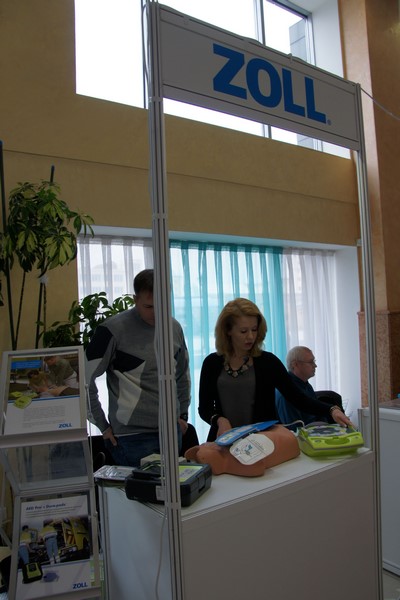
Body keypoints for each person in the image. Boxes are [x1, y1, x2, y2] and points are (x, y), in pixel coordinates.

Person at [198, 298, 351, 441]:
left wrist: (331, 409)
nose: (250, 337)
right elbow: (204, 409)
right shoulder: (212, 363)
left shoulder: (268, 362)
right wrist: (219, 420)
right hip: (223, 441)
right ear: (228, 330)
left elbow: (298, 398)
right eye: (243, 331)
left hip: (263, 443)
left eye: (254, 329)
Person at [85, 269, 191, 467]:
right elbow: (84, 380)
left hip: (171, 430)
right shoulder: (112, 330)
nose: (157, 312)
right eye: (149, 306)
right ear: (135, 299)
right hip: (131, 437)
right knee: (140, 487)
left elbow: (182, 375)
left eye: (163, 305)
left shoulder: (174, 328)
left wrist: (182, 415)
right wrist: (102, 426)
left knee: (172, 486)